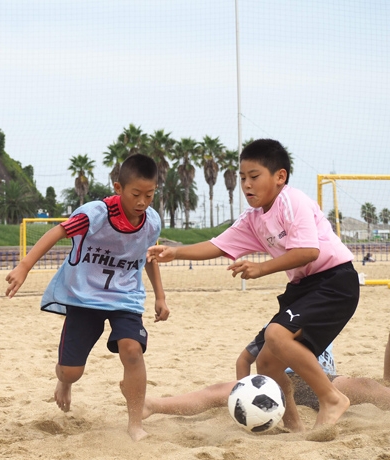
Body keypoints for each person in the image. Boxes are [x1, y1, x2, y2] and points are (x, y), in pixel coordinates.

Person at [147, 139, 359, 432]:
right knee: (267, 362)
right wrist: (176, 252)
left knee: (276, 334)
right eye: (242, 177)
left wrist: (261, 267)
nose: (246, 184)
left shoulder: (292, 201)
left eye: (254, 176)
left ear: (280, 176)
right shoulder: (253, 218)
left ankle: (331, 397)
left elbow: (309, 251)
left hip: (335, 281)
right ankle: (294, 427)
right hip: (304, 288)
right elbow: (218, 245)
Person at [5, 153, 170, 441]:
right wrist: (24, 266)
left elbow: (149, 257)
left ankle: (134, 424)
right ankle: (64, 382)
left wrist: (160, 296)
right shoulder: (94, 214)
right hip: (84, 297)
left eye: (150, 194)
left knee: (132, 350)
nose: (142, 202)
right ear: (118, 189)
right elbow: (56, 233)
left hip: (125, 297)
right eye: (136, 194)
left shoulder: (151, 221)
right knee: (71, 372)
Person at [143, 340, 390, 420]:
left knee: (365, 386)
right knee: (219, 391)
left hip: (323, 380)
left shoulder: (325, 314)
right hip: (278, 381)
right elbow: (244, 360)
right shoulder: (276, 326)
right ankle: (153, 405)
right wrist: (245, 389)